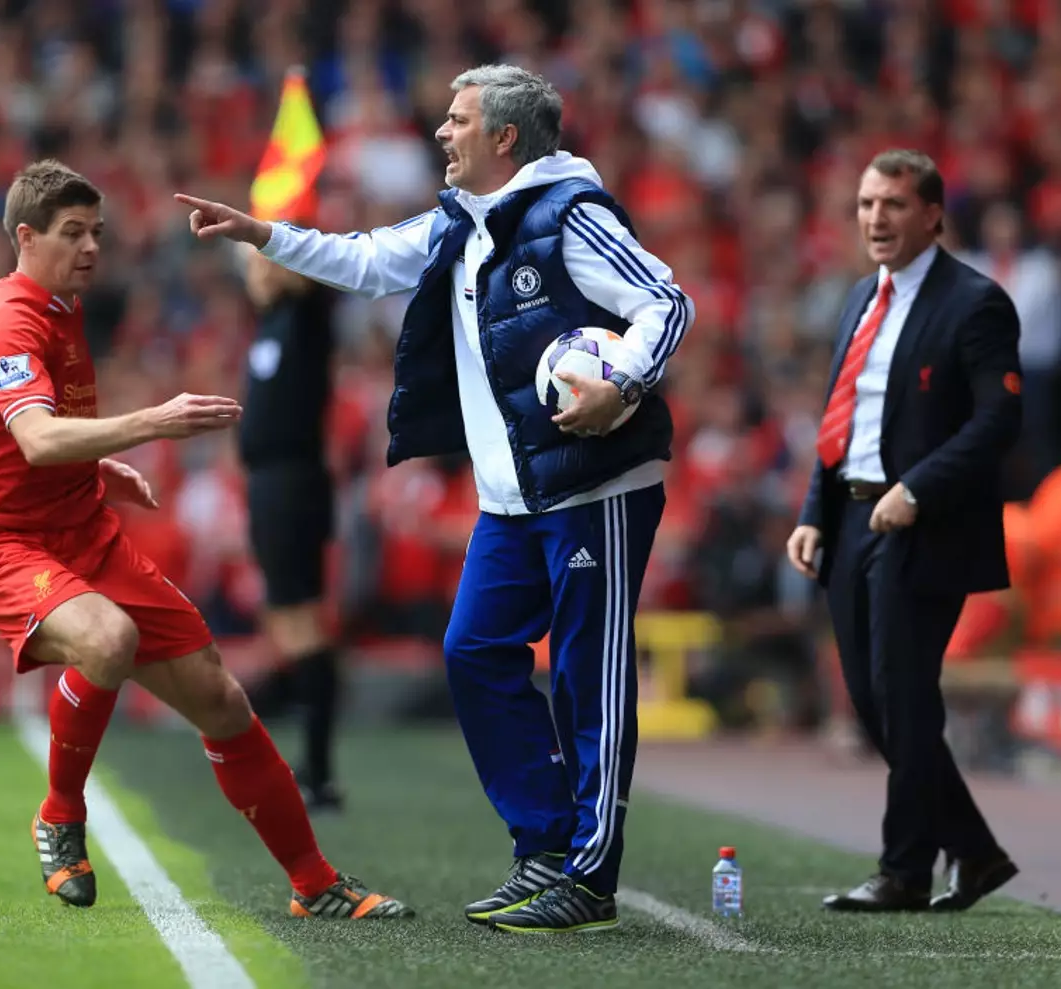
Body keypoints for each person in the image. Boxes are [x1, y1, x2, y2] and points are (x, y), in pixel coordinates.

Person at [176, 63, 693, 933]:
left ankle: (590, 877)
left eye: (458, 121)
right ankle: (543, 844)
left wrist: (625, 381)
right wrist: (264, 232)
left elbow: (666, 300)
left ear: (504, 138)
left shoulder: (573, 215)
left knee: (585, 677)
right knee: (473, 651)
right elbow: (368, 260)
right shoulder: (465, 221)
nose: (442, 133)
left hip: (592, 483)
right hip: (510, 495)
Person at [0, 159, 412, 920]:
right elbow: (32, 439)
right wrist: (147, 426)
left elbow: (28, 437)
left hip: (84, 531)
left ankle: (314, 882)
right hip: (8, 546)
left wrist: (98, 467)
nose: (92, 247)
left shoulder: (62, 305)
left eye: (97, 231)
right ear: (25, 237)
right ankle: (60, 816)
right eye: (73, 233)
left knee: (222, 699)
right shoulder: (9, 317)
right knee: (108, 636)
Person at [785, 149, 1022, 913]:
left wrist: (918, 489)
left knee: (903, 693)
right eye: (864, 205)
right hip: (852, 517)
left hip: (927, 523)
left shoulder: (976, 303)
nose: (875, 219)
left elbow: (999, 417)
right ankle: (977, 853)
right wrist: (814, 512)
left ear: (932, 214)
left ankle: (904, 868)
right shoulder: (861, 296)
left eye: (892, 204)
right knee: (870, 697)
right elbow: (841, 414)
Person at [237, 252, 343, 811]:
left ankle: (318, 770)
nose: (252, 273)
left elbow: (313, 276)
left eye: (259, 261)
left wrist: (273, 242)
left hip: (292, 481)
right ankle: (306, 756)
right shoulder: (270, 322)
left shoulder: (306, 314)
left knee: (302, 617)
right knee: (285, 616)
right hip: (267, 483)